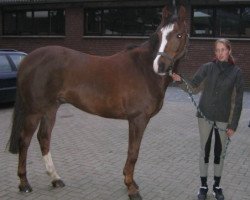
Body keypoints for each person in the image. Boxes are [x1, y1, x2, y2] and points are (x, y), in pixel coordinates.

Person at [172, 38, 244, 200]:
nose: (220, 53)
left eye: (223, 50)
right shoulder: (207, 68)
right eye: (217, 50)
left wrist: (233, 124)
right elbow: (194, 87)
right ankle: (203, 186)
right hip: (204, 116)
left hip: (224, 119)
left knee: (219, 153)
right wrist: (180, 81)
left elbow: (238, 102)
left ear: (229, 51)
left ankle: (217, 186)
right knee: (204, 151)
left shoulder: (237, 73)